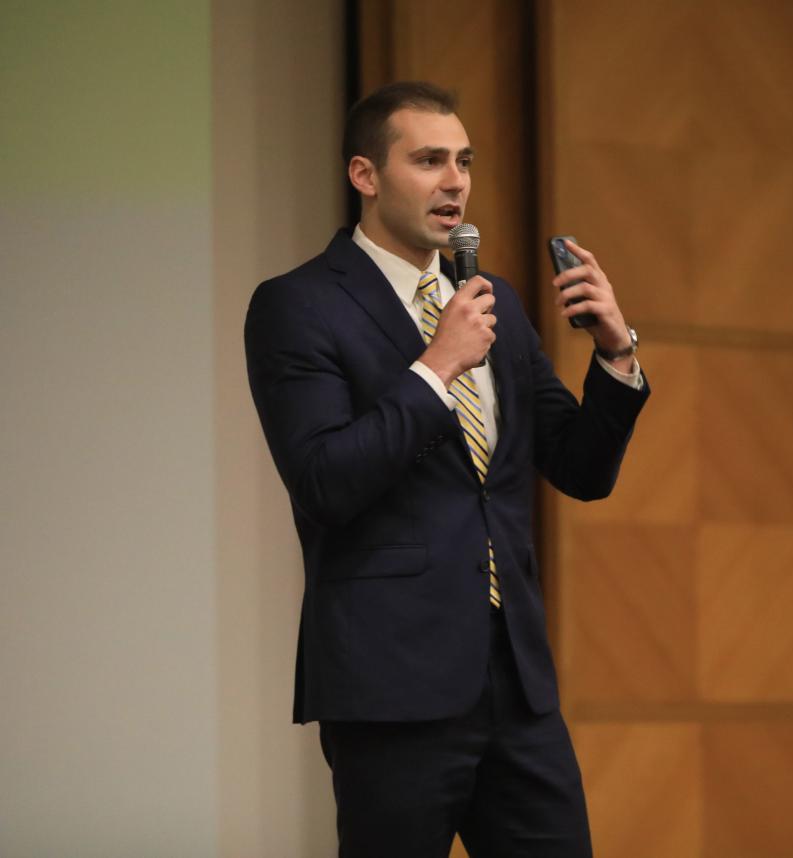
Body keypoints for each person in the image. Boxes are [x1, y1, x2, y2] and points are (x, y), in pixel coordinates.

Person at [244, 80, 650, 858]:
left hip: (516, 683)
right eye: (428, 160)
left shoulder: (491, 299)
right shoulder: (297, 306)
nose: (455, 181)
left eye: (463, 160)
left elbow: (580, 468)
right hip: (391, 687)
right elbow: (326, 482)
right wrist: (435, 371)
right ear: (365, 176)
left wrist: (615, 352)